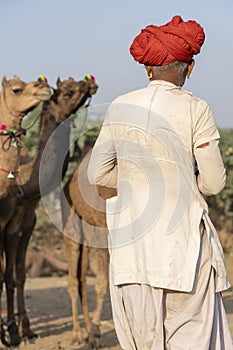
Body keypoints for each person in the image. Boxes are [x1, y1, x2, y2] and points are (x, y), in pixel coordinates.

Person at [87, 15, 233, 349]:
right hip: (185, 255)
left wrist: (135, 182)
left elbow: (98, 175)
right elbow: (213, 183)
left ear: (148, 69)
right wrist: (184, 179)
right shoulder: (196, 108)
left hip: (130, 256)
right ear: (190, 67)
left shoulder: (120, 106)